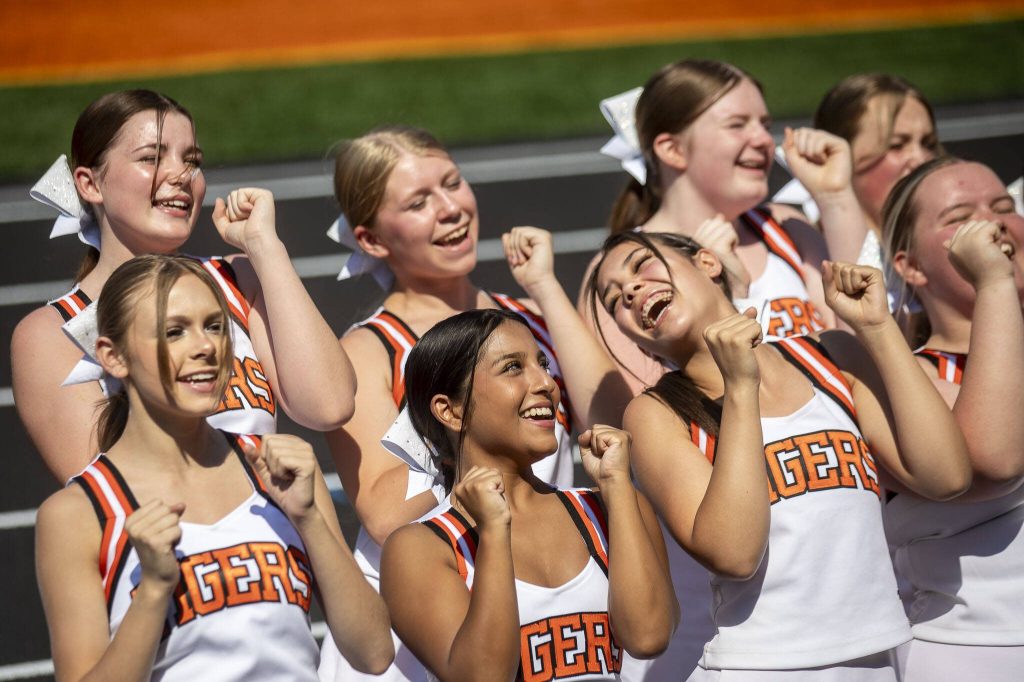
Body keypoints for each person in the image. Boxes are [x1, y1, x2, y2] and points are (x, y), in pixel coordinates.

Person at [319, 126, 631, 681]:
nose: (451, 210)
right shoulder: (369, 348)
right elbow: (386, 512)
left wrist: (546, 290)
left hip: (542, 601)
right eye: (418, 203)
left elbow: (612, 422)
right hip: (421, 631)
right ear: (370, 239)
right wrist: (472, 421)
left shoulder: (528, 325)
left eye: (453, 184)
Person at [588, 230, 973, 679]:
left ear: (708, 263)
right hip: (763, 665)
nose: (630, 291)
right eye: (614, 299)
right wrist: (740, 386)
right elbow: (734, 554)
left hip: (878, 660)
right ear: (637, 341)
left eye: (640, 265)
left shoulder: (831, 354)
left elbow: (947, 476)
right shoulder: (652, 414)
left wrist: (877, 327)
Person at [34, 254, 393, 681]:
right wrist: (151, 593)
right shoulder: (78, 514)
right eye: (174, 331)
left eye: (215, 325)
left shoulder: (280, 469)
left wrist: (310, 520)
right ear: (113, 357)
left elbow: (373, 652)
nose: (206, 347)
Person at [12, 89, 355, 483]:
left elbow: (330, 405)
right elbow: (109, 493)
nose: (181, 175)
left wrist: (266, 248)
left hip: (278, 541)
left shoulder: (239, 280)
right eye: (151, 158)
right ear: (90, 184)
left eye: (192, 160)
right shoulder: (51, 334)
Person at [379, 308, 676, 680]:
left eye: (543, 364)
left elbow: (649, 637)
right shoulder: (419, 547)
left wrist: (617, 487)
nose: (547, 384)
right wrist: (493, 532)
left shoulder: (606, 507)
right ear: (450, 411)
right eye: (513, 368)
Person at [584, 58, 868, 395]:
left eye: (765, 123)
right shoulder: (618, 277)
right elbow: (644, 413)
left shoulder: (786, 227)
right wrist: (730, 294)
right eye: (737, 124)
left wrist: (835, 198)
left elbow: (863, 346)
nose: (763, 139)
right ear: (673, 150)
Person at [880, 157, 1024, 680]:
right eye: (960, 215)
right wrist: (994, 284)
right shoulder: (904, 384)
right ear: (911, 267)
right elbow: (996, 460)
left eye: (1005, 206)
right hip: (977, 654)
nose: (992, 224)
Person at [812, 73, 941, 267]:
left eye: (928, 143)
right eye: (896, 145)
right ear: (835, 156)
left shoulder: (954, 239)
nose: (921, 159)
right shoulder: (809, 255)